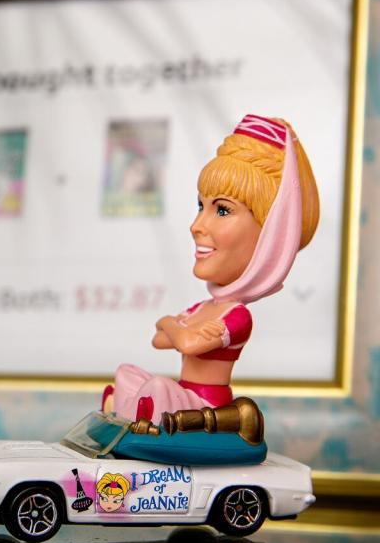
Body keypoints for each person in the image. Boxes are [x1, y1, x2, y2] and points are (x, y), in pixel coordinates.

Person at [102, 114, 320, 421]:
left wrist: (170, 322)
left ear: (270, 231)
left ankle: (133, 412)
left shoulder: (237, 316)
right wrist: (177, 330)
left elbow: (187, 342)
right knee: (127, 373)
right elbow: (161, 340)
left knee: (159, 387)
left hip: (204, 408)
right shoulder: (205, 307)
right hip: (181, 395)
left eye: (222, 210)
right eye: (200, 206)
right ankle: (132, 411)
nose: (196, 226)